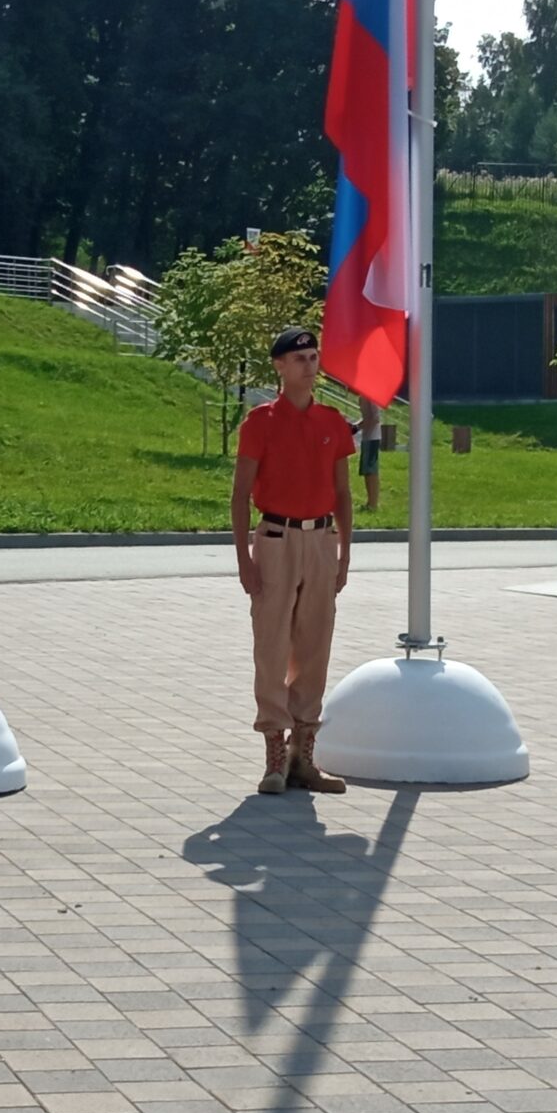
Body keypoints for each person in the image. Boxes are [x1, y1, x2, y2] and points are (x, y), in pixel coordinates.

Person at [231, 327, 354, 796]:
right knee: (271, 646)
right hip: (277, 538)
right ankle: (275, 756)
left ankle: (305, 756)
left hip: (320, 540)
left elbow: (343, 493)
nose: (309, 364)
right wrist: (244, 556)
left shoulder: (333, 422)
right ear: (279, 366)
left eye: (313, 356)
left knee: (315, 644)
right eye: (299, 358)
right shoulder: (259, 422)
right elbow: (241, 494)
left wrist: (344, 553)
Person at [357, 396, 383, 512]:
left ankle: (373, 503)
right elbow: (366, 417)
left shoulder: (371, 398)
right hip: (367, 437)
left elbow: (374, 419)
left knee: (371, 471)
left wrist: (359, 427)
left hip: (373, 437)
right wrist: (356, 426)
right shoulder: (363, 396)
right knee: (367, 471)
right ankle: (370, 501)